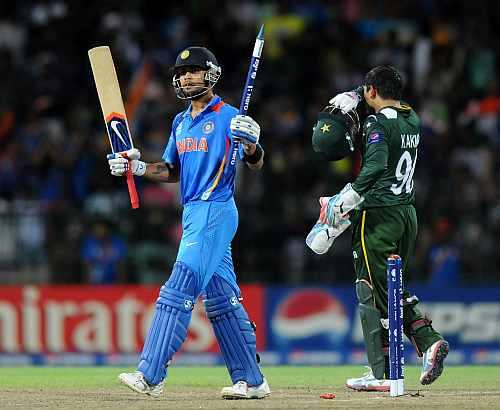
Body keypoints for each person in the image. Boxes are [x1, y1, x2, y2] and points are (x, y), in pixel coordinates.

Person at [108, 46, 270, 400]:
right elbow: (171, 170)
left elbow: (255, 162)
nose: (184, 77)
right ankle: (252, 380)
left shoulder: (230, 117)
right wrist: (136, 167)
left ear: (211, 74)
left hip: (216, 208)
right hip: (193, 211)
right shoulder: (180, 122)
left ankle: (150, 375)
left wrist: (253, 145)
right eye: (180, 73)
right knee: (221, 300)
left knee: (178, 288)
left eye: (193, 71)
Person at [310, 65, 449, 391]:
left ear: (372, 91)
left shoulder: (375, 123)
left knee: (370, 291)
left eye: (366, 91)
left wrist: (344, 200)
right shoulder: (411, 117)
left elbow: (373, 167)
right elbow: (387, 107)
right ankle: (398, 361)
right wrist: (358, 95)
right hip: (406, 214)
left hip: (378, 215)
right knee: (388, 288)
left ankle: (390, 368)